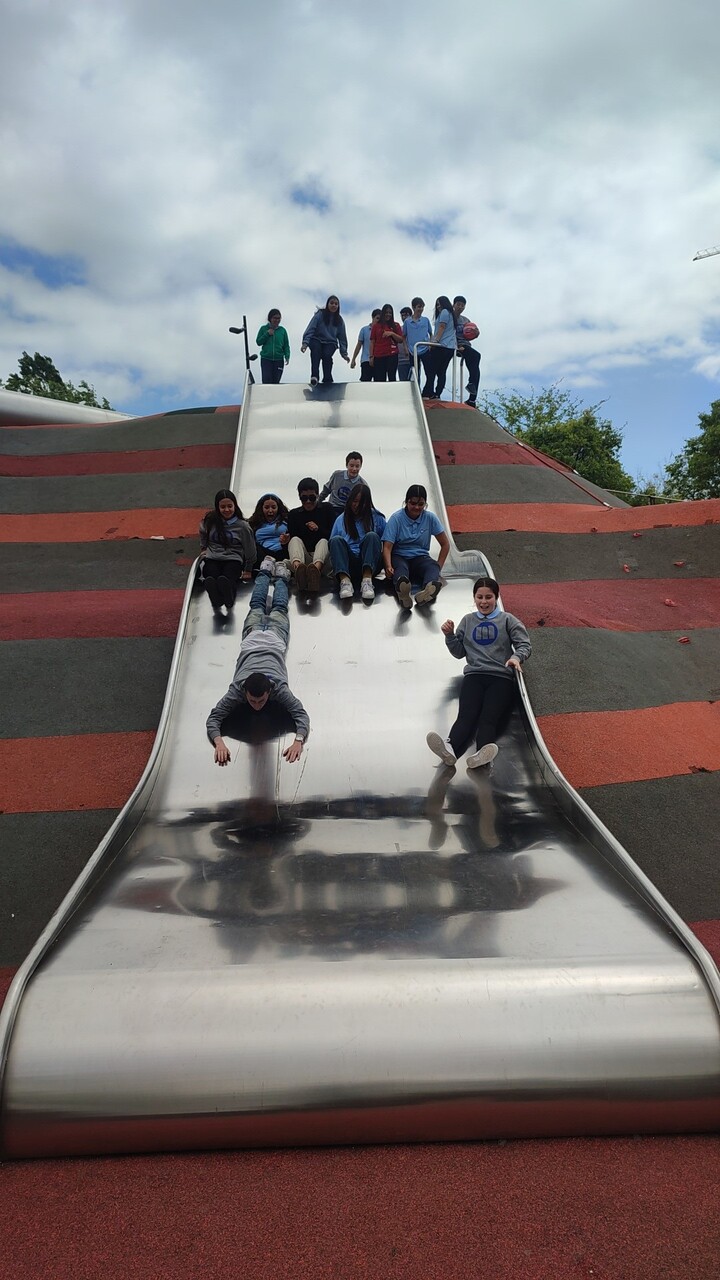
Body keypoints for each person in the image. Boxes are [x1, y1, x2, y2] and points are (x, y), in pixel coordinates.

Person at [207, 568, 309, 766]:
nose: (256, 705)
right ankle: (271, 574)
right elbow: (214, 718)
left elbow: (300, 714)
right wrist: (219, 743)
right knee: (277, 607)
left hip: (259, 636)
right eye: (252, 700)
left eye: (260, 700)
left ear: (269, 691)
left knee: (260, 606)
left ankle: (277, 576)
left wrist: (299, 742)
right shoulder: (237, 690)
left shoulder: (278, 688)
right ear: (245, 692)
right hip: (272, 636)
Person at [426, 576, 531, 769]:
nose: (483, 602)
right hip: (474, 676)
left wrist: (516, 657)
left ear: (496, 597)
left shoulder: (507, 620)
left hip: (500, 678)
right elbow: (459, 652)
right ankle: (449, 749)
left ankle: (482, 753)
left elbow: (524, 644)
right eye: (479, 597)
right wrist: (449, 636)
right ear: (474, 598)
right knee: (466, 716)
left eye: (488, 597)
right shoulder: (468, 621)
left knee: (488, 719)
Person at [382, 483, 450, 609]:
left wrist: (438, 566)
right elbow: (387, 547)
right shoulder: (396, 519)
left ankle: (428, 590)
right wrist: (388, 566)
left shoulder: (430, 518)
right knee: (401, 569)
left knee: (432, 567)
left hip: (420, 557)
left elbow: (445, 544)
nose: (417, 507)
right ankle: (403, 592)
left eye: (421, 504)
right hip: (400, 555)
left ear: (425, 504)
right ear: (406, 502)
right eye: (413, 503)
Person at [199, 489, 256, 612]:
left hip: (233, 558)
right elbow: (203, 531)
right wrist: (203, 547)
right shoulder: (210, 521)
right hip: (213, 557)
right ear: (217, 507)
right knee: (210, 572)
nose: (227, 510)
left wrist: (248, 569)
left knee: (228, 575)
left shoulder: (242, 526)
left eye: (230, 506)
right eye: (223, 507)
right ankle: (215, 597)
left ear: (235, 506)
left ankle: (229, 596)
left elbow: (250, 548)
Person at [329, 482, 386, 602]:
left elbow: (388, 543)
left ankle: (367, 581)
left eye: (361, 502)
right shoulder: (341, 519)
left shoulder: (377, 518)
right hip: (348, 564)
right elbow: (333, 547)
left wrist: (389, 566)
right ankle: (345, 581)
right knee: (336, 540)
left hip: (370, 563)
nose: (357, 505)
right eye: (354, 501)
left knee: (372, 536)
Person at [287, 477, 336, 594]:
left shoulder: (327, 509)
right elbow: (293, 545)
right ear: (299, 497)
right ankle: (299, 570)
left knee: (323, 541)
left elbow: (333, 537)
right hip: (303, 559)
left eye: (312, 497)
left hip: (323, 560)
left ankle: (315, 572)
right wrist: (285, 542)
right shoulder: (294, 514)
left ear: (318, 495)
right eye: (304, 498)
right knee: (294, 540)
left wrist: (318, 529)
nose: (308, 501)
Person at [301, 295, 350, 385]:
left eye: (336, 304)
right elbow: (311, 328)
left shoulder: (339, 320)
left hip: (330, 342)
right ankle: (315, 376)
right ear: (327, 304)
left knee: (326, 355)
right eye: (332, 303)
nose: (334, 305)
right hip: (317, 339)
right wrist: (305, 343)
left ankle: (327, 377)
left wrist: (344, 353)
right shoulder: (320, 314)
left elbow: (342, 337)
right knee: (316, 352)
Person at [423, 295, 456, 399]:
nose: (438, 307)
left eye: (440, 304)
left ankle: (428, 392)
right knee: (441, 371)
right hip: (449, 347)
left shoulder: (445, 312)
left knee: (432, 370)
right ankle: (437, 393)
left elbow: (442, 327)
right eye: (437, 305)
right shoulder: (451, 314)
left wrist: (435, 341)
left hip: (442, 346)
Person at [248, 493, 290, 574]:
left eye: (273, 507)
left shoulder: (286, 520)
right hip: (263, 554)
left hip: (282, 551)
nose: (270, 511)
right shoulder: (254, 523)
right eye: (267, 507)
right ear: (261, 508)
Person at [452, 295, 481, 408]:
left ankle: (472, 397)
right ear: (454, 305)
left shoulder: (465, 320)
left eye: (462, 305)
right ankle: (471, 384)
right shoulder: (450, 317)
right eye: (458, 304)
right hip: (456, 345)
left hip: (466, 345)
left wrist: (476, 333)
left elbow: (470, 333)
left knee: (475, 363)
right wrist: (456, 346)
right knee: (476, 356)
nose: (460, 307)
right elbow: (448, 333)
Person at [369, 303, 404, 382]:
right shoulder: (376, 326)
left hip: (392, 355)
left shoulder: (396, 325)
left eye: (390, 313)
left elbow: (401, 340)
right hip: (379, 356)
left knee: (392, 378)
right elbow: (372, 342)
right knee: (379, 380)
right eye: (386, 312)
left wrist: (392, 333)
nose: (388, 314)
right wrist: (371, 357)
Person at [402, 297, 433, 386]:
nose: (421, 309)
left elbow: (431, 333)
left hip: (425, 349)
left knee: (429, 372)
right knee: (415, 374)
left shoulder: (425, 320)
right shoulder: (407, 322)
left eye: (422, 307)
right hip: (413, 351)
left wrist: (431, 345)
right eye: (419, 307)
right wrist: (406, 349)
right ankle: (416, 390)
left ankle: (428, 391)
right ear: (413, 307)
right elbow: (404, 336)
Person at [256, 309, 290, 384]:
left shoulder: (282, 330)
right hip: (266, 359)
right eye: (275, 318)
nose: (277, 320)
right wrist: (267, 334)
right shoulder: (263, 328)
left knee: (276, 381)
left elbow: (286, 345)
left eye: (279, 318)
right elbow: (258, 342)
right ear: (270, 318)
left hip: (279, 360)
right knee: (267, 381)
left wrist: (287, 356)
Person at [350, 308, 381, 382]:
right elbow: (359, 345)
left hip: (379, 360)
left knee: (379, 383)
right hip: (366, 360)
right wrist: (353, 359)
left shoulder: (382, 331)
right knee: (365, 382)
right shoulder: (364, 330)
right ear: (372, 317)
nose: (378, 321)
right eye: (377, 318)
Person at [397, 307, 413, 381]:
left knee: (415, 382)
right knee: (403, 382)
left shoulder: (415, 328)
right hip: (401, 360)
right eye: (402, 316)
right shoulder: (399, 329)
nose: (404, 317)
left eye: (406, 315)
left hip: (413, 359)